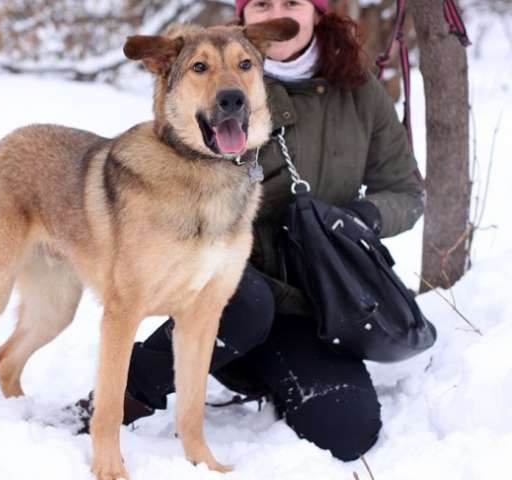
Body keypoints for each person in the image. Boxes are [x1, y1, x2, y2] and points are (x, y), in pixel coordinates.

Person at [73, 0, 424, 462]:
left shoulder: (358, 90)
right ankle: (131, 389)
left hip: (319, 300)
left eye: (291, 3)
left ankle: (271, 375)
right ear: (246, 17)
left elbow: (405, 191)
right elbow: (170, 130)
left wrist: (364, 218)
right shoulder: (220, 77)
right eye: (261, 3)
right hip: (242, 292)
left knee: (347, 430)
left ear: (316, 11)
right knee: (243, 299)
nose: (275, 13)